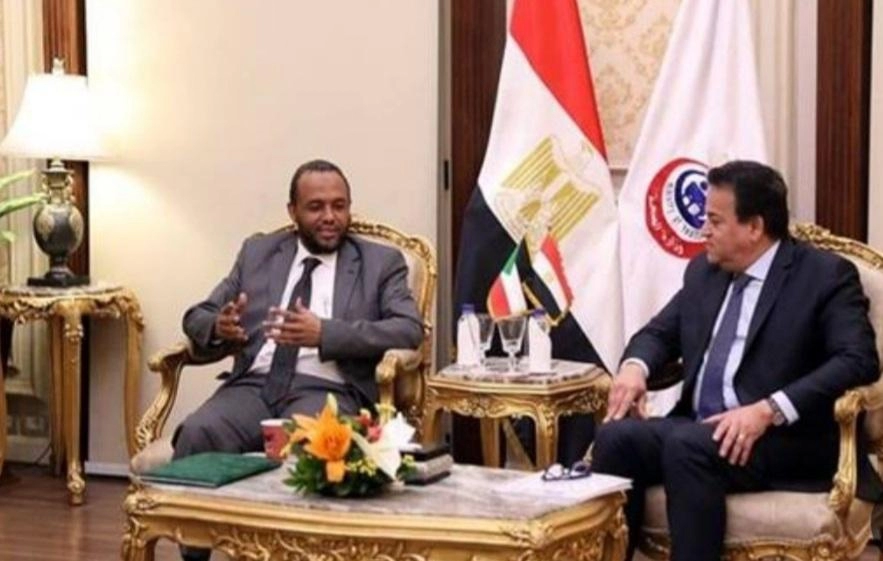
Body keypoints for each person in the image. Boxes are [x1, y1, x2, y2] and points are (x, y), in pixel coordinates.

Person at [591, 160, 881, 561]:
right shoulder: (704, 273)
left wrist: (768, 410)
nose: (703, 231)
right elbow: (658, 334)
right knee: (616, 438)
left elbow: (858, 359)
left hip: (785, 440)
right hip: (700, 428)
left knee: (687, 446)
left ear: (754, 227)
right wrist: (633, 369)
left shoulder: (824, 276)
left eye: (715, 221)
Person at [172, 159, 424, 561]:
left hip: (326, 389)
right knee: (199, 432)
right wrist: (219, 326)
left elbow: (408, 329)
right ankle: (195, 554)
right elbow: (196, 315)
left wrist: (325, 333)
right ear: (292, 212)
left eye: (339, 206)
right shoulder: (257, 253)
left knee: (313, 450)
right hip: (254, 386)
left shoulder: (380, 262)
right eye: (316, 207)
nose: (330, 217)